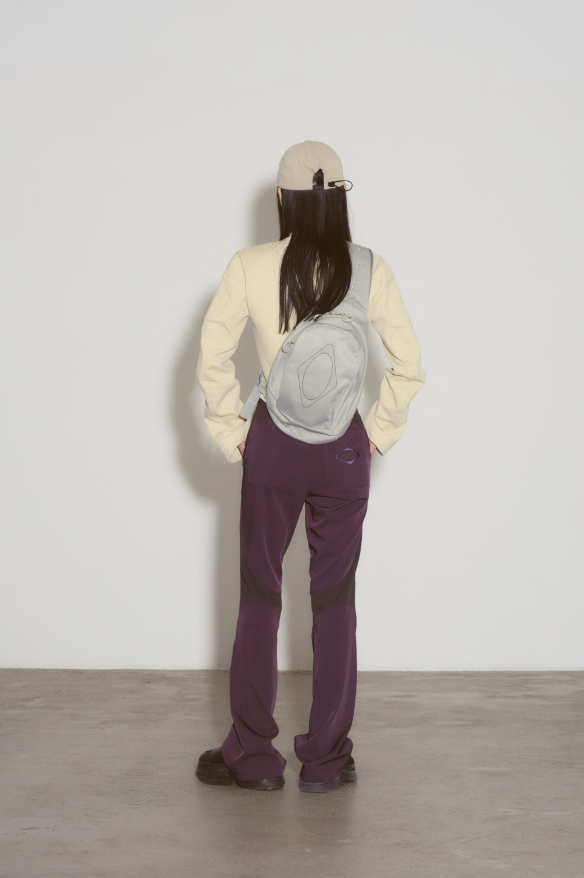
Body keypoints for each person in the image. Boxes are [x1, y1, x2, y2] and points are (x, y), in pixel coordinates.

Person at [194, 140, 425, 793]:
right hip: (343, 448)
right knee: (335, 600)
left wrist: (232, 431)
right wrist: (376, 434)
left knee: (260, 593)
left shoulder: (250, 265)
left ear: (281, 199)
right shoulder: (370, 268)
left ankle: (253, 756)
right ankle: (325, 760)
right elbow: (409, 366)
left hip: (273, 445)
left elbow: (213, 355)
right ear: (340, 198)